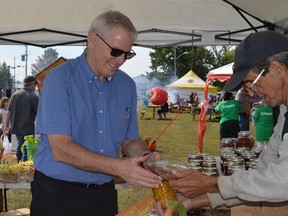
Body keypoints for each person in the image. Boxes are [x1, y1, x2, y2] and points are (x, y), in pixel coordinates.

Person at [30, 10, 162, 216]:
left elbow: (129, 141)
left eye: (127, 54)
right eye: (116, 52)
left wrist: (145, 157)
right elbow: (61, 149)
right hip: (58, 197)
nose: (121, 61)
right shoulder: (60, 79)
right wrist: (119, 168)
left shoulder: (126, 85)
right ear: (92, 40)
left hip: (103, 197)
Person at [154, 30, 288, 215]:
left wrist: (210, 183)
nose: (251, 92)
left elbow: (282, 182)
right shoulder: (284, 109)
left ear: (277, 69)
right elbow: (261, 177)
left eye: (251, 83)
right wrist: (195, 201)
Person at [3, 76, 39, 161]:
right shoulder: (33, 97)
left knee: (20, 146)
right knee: (27, 148)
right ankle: (24, 168)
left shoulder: (15, 95)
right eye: (35, 84)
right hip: (28, 127)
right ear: (32, 84)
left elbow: (8, 112)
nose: (36, 86)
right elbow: (39, 113)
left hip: (16, 126)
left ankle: (14, 164)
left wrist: (6, 126)